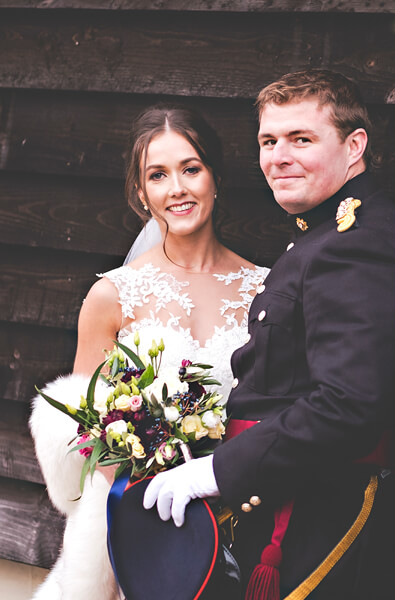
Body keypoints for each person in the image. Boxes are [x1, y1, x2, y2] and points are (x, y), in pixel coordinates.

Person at [143, 70, 395, 599]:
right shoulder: (322, 234)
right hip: (281, 503)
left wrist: (217, 472)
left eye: (301, 139)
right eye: (268, 141)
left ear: (354, 145)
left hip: (317, 516)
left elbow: (347, 404)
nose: (278, 156)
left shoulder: (356, 244)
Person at [29, 104, 268, 600]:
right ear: (142, 194)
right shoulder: (113, 296)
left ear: (215, 177)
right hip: (124, 532)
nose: (176, 188)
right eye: (158, 175)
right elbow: (83, 436)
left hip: (230, 522)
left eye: (191, 169)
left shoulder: (263, 292)